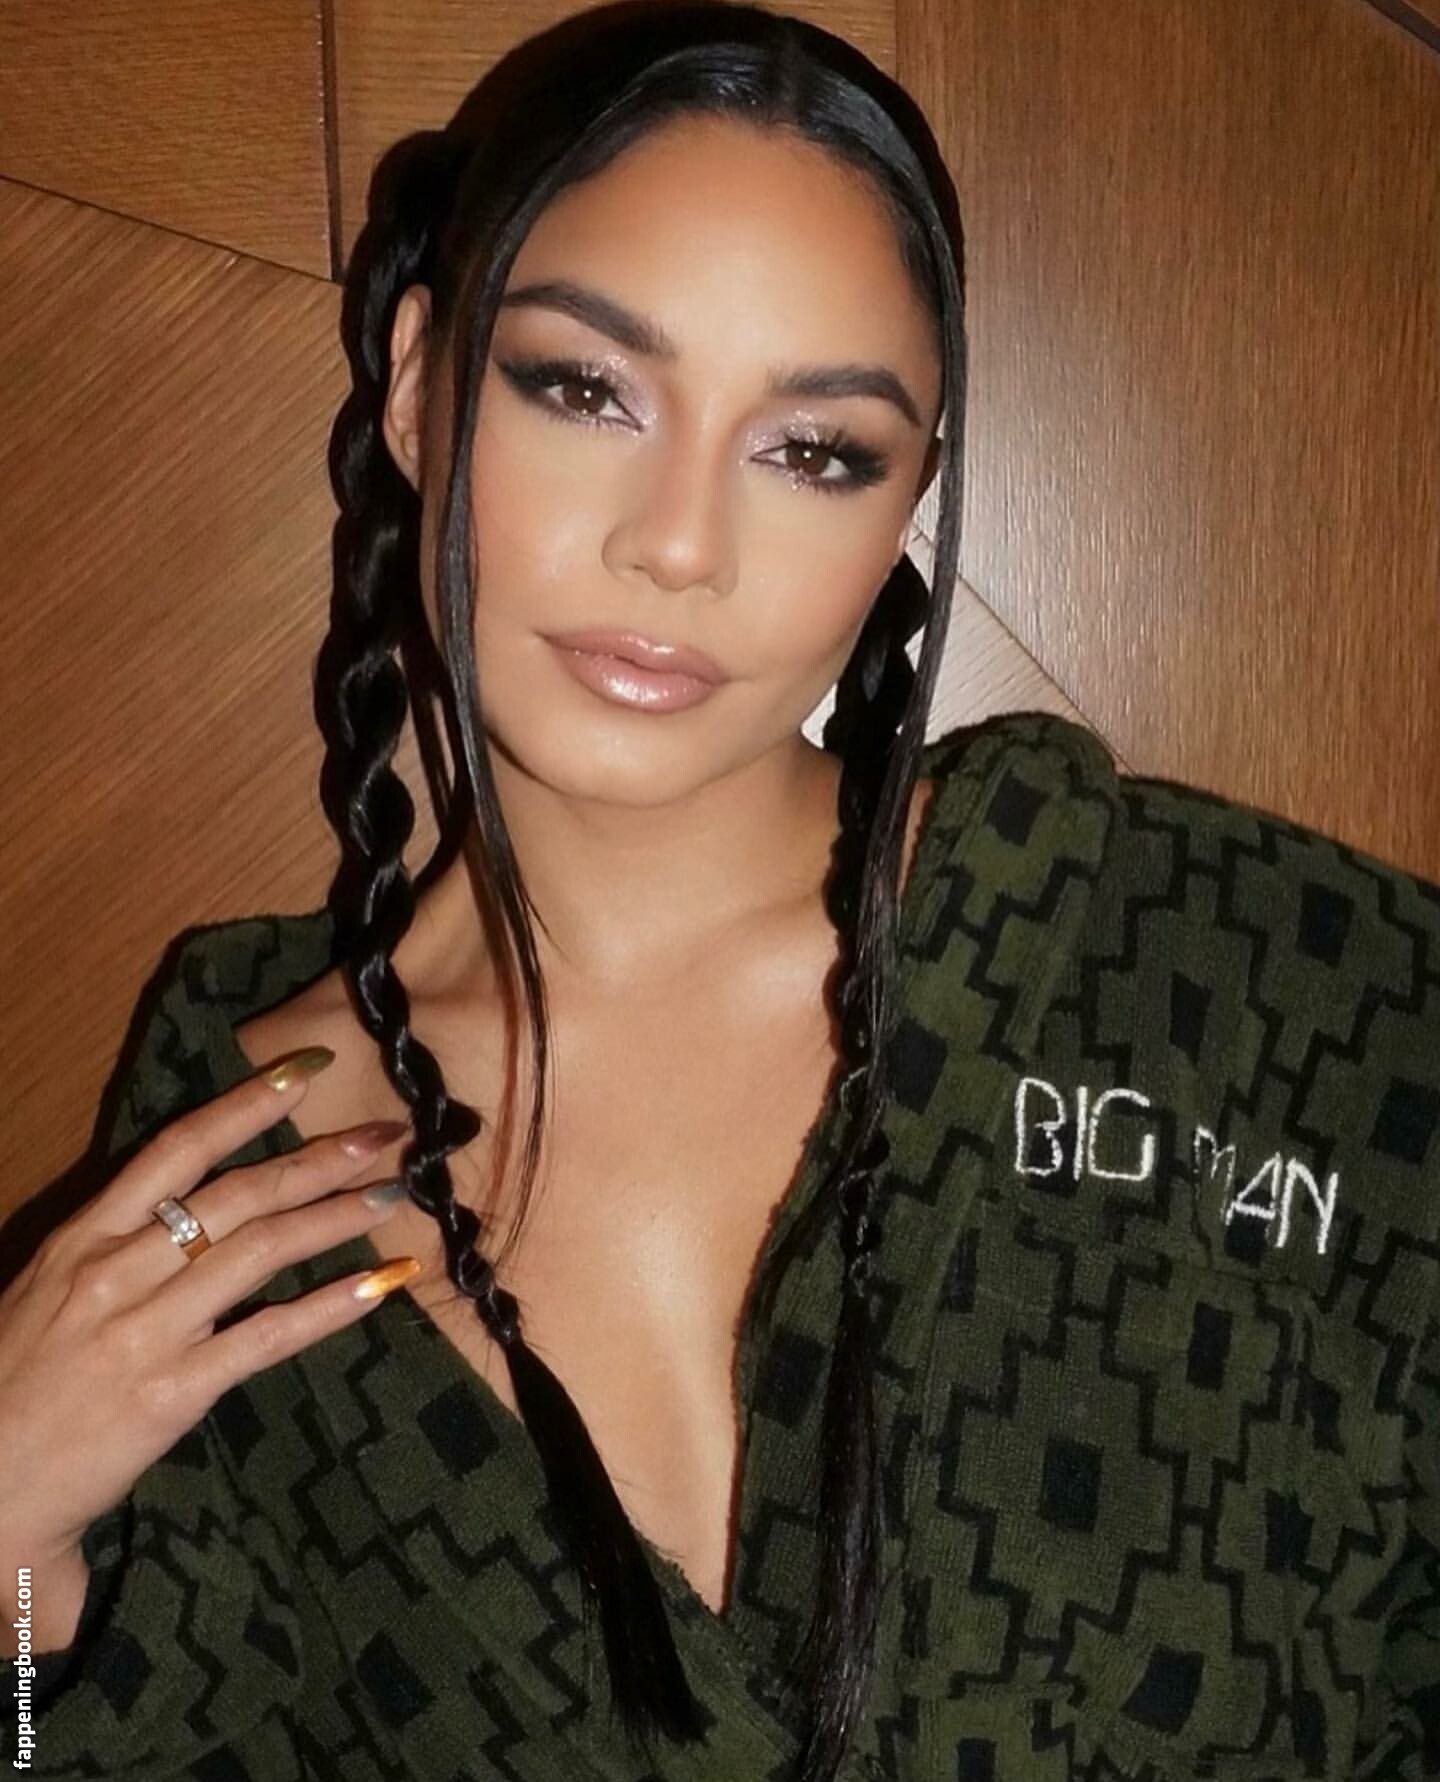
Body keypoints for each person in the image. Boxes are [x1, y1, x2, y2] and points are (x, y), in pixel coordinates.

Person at [2, 4, 1436, 1778]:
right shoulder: (237, 1144)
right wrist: (9, 1561)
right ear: (419, 381)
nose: (679, 544)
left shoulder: (1277, 984)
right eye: (585, 387)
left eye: (815, 449)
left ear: (906, 499)